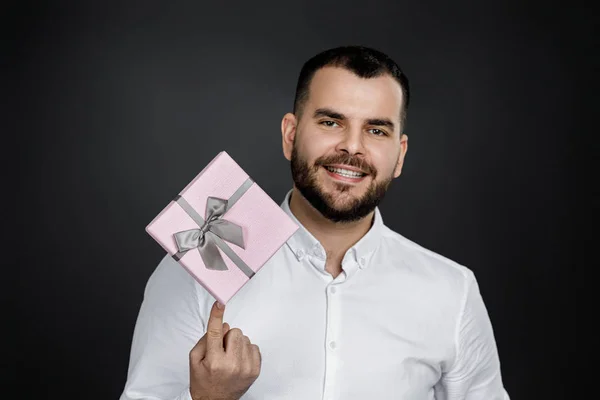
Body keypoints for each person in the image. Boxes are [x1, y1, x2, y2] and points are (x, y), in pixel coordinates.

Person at [120, 45, 510, 400]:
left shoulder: (451, 291)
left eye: (376, 130)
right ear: (291, 135)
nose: (353, 147)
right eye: (330, 122)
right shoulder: (196, 268)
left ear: (400, 154)